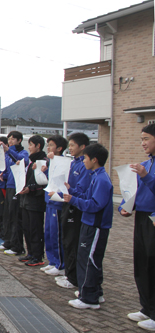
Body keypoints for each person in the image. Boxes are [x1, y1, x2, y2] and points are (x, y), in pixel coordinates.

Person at [64, 143, 113, 310]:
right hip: (90, 223)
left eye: (85, 158)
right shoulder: (96, 176)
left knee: (88, 260)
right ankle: (95, 292)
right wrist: (72, 192)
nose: (83, 161)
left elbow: (95, 205)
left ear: (94, 160)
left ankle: (88, 298)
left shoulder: (101, 179)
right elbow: (86, 195)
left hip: (95, 225)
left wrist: (73, 200)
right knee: (91, 259)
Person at [120, 124, 155, 331]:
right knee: (141, 263)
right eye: (141, 139)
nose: (143, 143)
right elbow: (134, 193)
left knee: (153, 264)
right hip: (142, 217)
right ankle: (147, 308)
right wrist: (126, 208)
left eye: (146, 138)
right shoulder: (145, 164)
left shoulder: (145, 169)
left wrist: (145, 175)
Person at [56, 132, 91, 289]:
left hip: (75, 206)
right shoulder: (74, 163)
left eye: (72, 145)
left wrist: (70, 191)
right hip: (67, 202)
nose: (69, 148)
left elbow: (80, 189)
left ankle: (73, 278)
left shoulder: (85, 165)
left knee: (72, 241)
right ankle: (69, 274)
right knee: (67, 240)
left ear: (82, 147)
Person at [0, 131, 29, 257]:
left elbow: (23, 161)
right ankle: (8, 241)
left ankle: (17, 246)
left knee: (15, 217)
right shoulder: (8, 154)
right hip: (9, 186)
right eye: (9, 138)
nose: (10, 141)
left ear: (19, 140)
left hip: (17, 187)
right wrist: (3, 175)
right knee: (8, 215)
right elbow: (10, 170)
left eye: (13, 139)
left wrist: (8, 150)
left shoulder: (21, 152)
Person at [18, 135, 47, 266]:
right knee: (27, 228)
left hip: (36, 202)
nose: (29, 147)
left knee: (35, 229)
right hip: (26, 200)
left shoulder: (43, 161)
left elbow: (43, 183)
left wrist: (30, 189)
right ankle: (30, 253)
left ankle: (37, 256)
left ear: (38, 146)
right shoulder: (31, 161)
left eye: (30, 145)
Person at [41, 135, 68, 276]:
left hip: (57, 202)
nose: (48, 148)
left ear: (59, 148)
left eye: (51, 145)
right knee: (49, 233)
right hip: (49, 201)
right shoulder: (51, 162)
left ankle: (60, 264)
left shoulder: (63, 162)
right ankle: (52, 261)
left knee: (57, 234)